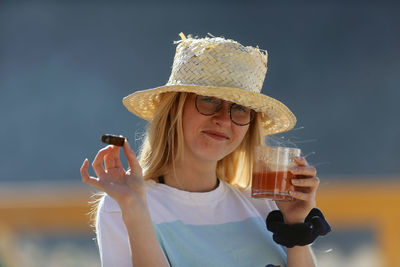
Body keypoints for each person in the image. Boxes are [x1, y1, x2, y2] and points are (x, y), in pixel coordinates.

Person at [80, 33, 325, 267]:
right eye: (208, 99)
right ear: (174, 108)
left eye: (239, 108)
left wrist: (296, 227)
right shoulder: (123, 203)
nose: (224, 120)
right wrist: (134, 210)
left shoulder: (265, 205)